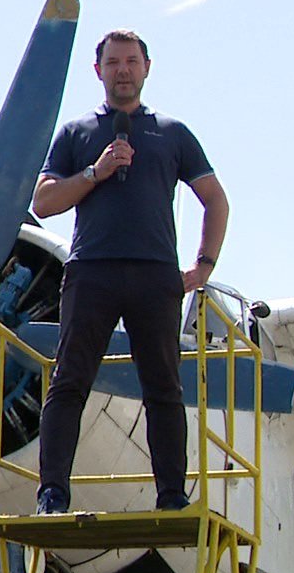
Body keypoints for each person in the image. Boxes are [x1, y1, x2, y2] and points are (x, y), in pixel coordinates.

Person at [26, 28, 229, 515]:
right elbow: (43, 201)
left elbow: (215, 199)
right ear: (98, 71)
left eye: (131, 62)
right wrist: (95, 172)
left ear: (146, 68)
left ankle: (172, 497)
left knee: (163, 386)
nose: (123, 70)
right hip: (90, 270)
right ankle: (52, 493)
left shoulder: (172, 133)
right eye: (113, 63)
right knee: (69, 380)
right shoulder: (77, 134)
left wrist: (203, 266)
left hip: (155, 275)